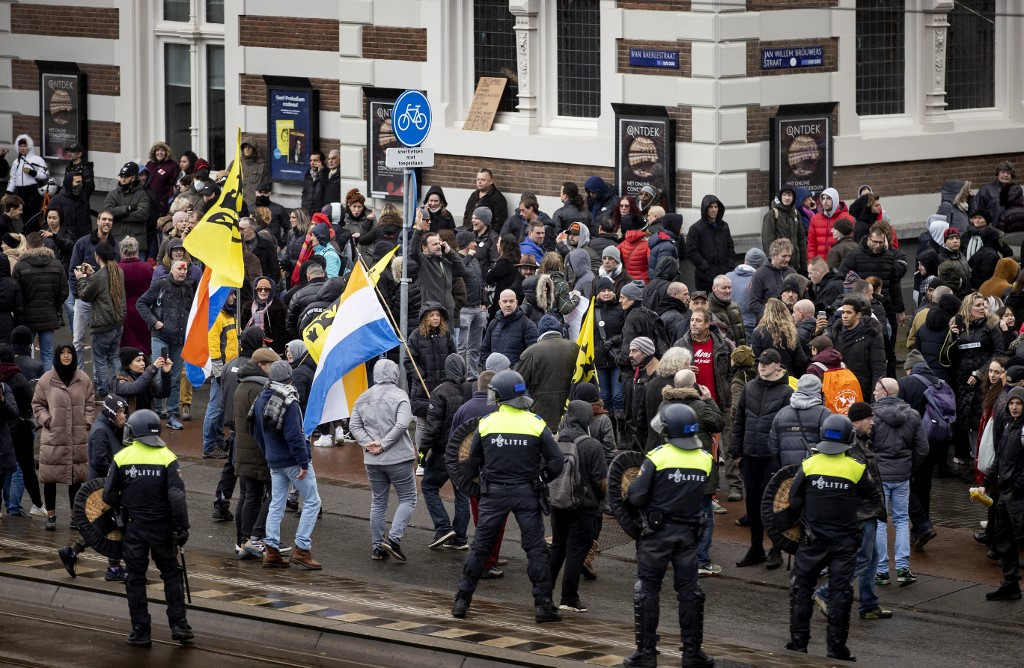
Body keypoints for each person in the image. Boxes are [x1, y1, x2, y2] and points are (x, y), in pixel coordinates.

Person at [451, 370, 564, 623]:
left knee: (480, 548)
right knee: (536, 550)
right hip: (527, 493)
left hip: (494, 495)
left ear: (499, 396)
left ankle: (461, 601)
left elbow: (472, 462)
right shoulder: (536, 423)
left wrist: (472, 482)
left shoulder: (487, 423)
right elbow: (557, 462)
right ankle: (543, 605)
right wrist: (541, 478)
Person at [623, 403, 716, 668]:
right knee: (690, 593)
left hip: (657, 535)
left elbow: (637, 496)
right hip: (689, 535)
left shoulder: (658, 457)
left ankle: (646, 653)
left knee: (647, 591)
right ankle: (692, 652)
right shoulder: (705, 458)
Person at [785, 414, 879, 661]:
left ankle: (798, 643)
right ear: (849, 439)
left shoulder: (809, 465)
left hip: (811, 540)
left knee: (801, 589)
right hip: (844, 543)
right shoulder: (857, 468)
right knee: (841, 593)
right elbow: (874, 499)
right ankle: (836, 648)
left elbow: (792, 502)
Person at [102, 409, 192, 647]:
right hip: (163, 529)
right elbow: (177, 497)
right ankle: (179, 624)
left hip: (134, 529)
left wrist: (125, 504)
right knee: (172, 574)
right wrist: (183, 528)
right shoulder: (168, 457)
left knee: (135, 579)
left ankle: (141, 630)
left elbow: (108, 495)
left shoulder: (122, 457)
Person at [253, 360, 322, 569]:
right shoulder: (289, 401)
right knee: (312, 501)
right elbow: (294, 436)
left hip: (274, 460)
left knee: (277, 502)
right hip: (292, 461)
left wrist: (268, 455)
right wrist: (304, 462)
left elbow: (257, 432)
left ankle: (271, 549)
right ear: (289, 378)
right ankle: (301, 548)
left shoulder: (260, 397)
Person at [349, 359, 418, 561]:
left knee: (379, 501)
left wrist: (369, 443)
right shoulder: (400, 395)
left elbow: (354, 426)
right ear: (395, 374)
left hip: (372, 460)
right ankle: (394, 539)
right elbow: (403, 423)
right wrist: (384, 443)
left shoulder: (362, 397)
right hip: (398, 457)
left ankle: (378, 547)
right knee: (408, 498)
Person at [56, 394, 129, 581]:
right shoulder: (100, 431)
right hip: (103, 488)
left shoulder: (111, 428)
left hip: (107, 486)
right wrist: (116, 479)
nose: (124, 416)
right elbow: (99, 462)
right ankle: (113, 568)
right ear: (112, 413)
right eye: (121, 412)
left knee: (105, 525)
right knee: (114, 526)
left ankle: (72, 551)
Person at [732, 348, 793, 568]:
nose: (762, 365)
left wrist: (781, 460)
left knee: (774, 506)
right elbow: (738, 421)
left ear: (778, 365)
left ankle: (776, 549)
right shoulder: (749, 388)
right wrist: (736, 452)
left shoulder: (787, 392)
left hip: (771, 459)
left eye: (767, 363)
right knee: (753, 503)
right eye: (760, 362)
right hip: (750, 456)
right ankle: (755, 548)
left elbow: (787, 430)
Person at [547, 400, 607, 613]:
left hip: (558, 503)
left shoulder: (555, 440)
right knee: (576, 552)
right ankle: (569, 598)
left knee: (557, 549)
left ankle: (544, 594)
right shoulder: (592, 445)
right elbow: (600, 481)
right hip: (584, 507)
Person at [870, 378, 928, 587]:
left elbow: (866, 445)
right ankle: (903, 568)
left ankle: (882, 570)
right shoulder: (912, 415)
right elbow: (922, 448)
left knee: (880, 521)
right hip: (902, 475)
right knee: (902, 520)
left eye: (876, 390)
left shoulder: (873, 415)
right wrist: (910, 467)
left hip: (879, 476)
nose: (874, 393)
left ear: (884, 392)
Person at [32, 344, 96, 531]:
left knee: (75, 478)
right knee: (50, 477)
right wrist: (47, 420)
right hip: (54, 436)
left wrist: (87, 422)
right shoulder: (46, 380)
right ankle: (51, 516)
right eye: (62, 353)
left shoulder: (83, 379)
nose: (66, 356)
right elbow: (37, 404)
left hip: (77, 436)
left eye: (69, 353)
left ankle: (74, 516)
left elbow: (90, 402)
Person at [136, 258, 194, 427]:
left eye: (185, 270)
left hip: (179, 340)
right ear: (171, 270)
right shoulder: (160, 285)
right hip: (161, 336)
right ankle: (155, 411)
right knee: (159, 373)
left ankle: (172, 414)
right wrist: (154, 322)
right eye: (179, 269)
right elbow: (141, 303)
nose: (183, 272)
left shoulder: (189, 287)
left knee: (175, 378)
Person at [979, 386, 1024, 600]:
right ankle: (1010, 584)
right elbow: (999, 459)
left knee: (1018, 537)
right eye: (1012, 404)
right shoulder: (1008, 426)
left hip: (1017, 495)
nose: (1014, 407)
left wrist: (1017, 487)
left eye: (1018, 404)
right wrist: (986, 482)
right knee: (1005, 540)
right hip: (1007, 493)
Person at [77, 241, 126, 398]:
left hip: (102, 324)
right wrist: (92, 274)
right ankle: (121, 385)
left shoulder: (99, 277)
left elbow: (85, 295)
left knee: (100, 358)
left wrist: (82, 279)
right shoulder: (118, 272)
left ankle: (103, 390)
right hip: (118, 323)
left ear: (97, 256)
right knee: (113, 356)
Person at [12, 231, 66, 371]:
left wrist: (21, 312)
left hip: (28, 318)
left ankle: (30, 384)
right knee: (47, 353)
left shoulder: (20, 266)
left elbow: (16, 294)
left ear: (27, 247)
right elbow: (64, 291)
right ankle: (47, 386)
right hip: (49, 315)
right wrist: (55, 306)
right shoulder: (56, 264)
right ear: (43, 245)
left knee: (26, 353)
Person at [517, 315, 578, 432]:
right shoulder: (574, 347)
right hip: (571, 413)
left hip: (541, 414)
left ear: (539, 331)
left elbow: (518, 382)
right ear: (559, 329)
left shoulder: (531, 351)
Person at [202, 291, 238, 458]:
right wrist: (218, 371)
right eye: (231, 294)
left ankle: (217, 440)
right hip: (222, 369)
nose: (234, 297)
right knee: (215, 408)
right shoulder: (218, 317)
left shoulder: (229, 315)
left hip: (229, 369)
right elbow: (213, 346)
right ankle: (209, 445)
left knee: (221, 408)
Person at [687, 195, 735, 293]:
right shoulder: (696, 228)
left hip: (724, 274)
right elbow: (692, 252)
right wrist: (706, 268)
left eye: (716, 207)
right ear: (705, 209)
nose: (714, 210)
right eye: (711, 207)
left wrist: (730, 265)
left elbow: (730, 246)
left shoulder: (723, 226)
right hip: (705, 278)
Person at [480, 289, 538, 369]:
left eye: (511, 301)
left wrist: (518, 372)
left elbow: (533, 355)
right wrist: (487, 368)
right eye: (505, 301)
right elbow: (484, 349)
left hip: (516, 377)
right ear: (500, 303)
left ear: (516, 303)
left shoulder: (527, 325)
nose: (508, 305)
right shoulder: (493, 324)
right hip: (494, 377)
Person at [751, 298, 808, 376]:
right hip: (787, 377)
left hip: (766, 377)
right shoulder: (792, 333)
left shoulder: (758, 332)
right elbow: (800, 360)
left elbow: (755, 359)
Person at [762, 186, 807, 275]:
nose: (787, 198)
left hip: (795, 264)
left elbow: (801, 240)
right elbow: (767, 241)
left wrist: (803, 265)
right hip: (779, 265)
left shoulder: (796, 213)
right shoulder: (772, 214)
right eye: (784, 194)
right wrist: (772, 263)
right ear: (780, 196)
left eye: (790, 195)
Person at [103, 162, 151, 245]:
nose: (123, 179)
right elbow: (108, 212)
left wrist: (119, 217)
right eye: (121, 176)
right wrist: (128, 209)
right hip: (117, 240)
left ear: (134, 177)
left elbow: (142, 215)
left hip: (137, 242)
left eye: (126, 177)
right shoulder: (113, 194)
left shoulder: (142, 194)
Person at [6, 135, 48, 224]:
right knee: (23, 214)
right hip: (20, 192)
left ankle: (34, 235)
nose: (23, 148)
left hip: (32, 191)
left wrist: (32, 172)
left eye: (25, 146)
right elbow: (13, 178)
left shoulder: (37, 159)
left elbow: (45, 175)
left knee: (33, 215)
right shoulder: (16, 162)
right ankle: (26, 235)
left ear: (29, 146)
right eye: (20, 146)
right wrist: (8, 192)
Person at [301, 151, 326, 215]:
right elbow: (304, 192)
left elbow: (325, 186)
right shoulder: (307, 174)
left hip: (320, 211)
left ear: (322, 161)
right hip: (308, 211)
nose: (312, 163)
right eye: (311, 160)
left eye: (315, 160)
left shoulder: (326, 173)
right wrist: (304, 206)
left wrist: (321, 172)